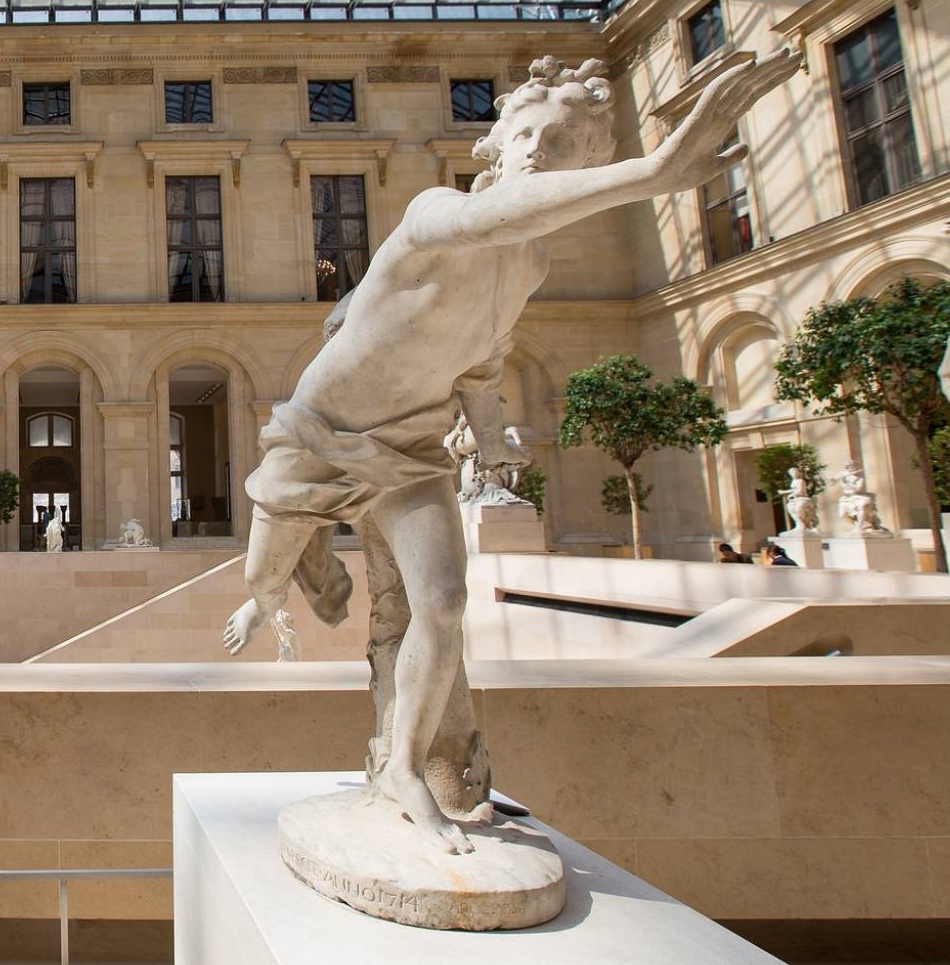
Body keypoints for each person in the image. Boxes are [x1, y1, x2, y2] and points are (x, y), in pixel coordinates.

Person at [225, 48, 800, 854]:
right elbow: (497, 217)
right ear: (494, 145)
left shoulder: (529, 263)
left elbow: (483, 364)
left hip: (410, 447)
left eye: (563, 149)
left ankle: (405, 769)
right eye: (528, 135)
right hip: (319, 430)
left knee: (446, 604)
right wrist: (659, 169)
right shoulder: (435, 211)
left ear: (582, 168)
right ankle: (276, 594)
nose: (538, 155)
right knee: (265, 576)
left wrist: (492, 439)